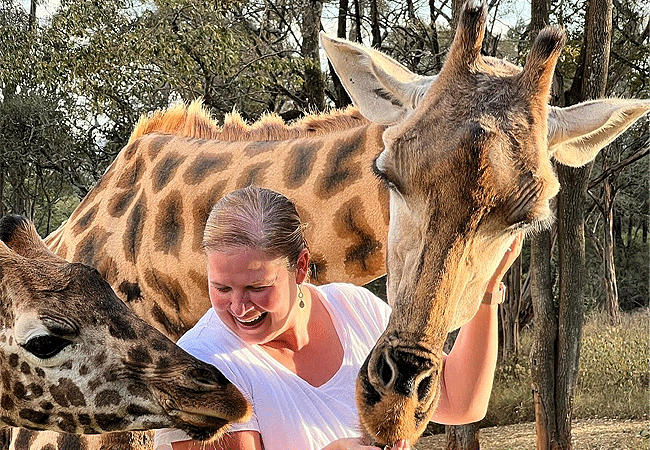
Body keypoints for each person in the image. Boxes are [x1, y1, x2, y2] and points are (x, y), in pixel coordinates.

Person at [154, 186, 523, 450]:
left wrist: (488, 286)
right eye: (221, 289)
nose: (238, 307)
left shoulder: (355, 309)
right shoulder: (200, 367)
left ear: (300, 266)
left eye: (256, 287)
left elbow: (459, 400)